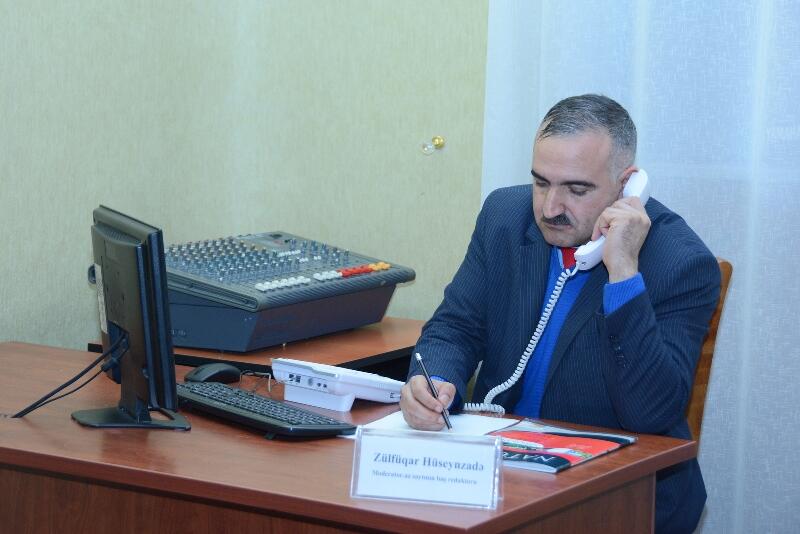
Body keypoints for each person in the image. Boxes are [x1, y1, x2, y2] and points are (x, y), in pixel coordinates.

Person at [400, 94, 720, 534]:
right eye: (541, 183)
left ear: (627, 186)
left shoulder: (680, 262)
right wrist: (434, 381)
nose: (550, 208)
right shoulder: (504, 218)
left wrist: (623, 272)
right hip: (498, 480)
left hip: (617, 497)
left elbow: (650, 413)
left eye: (576, 189)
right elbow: (455, 326)